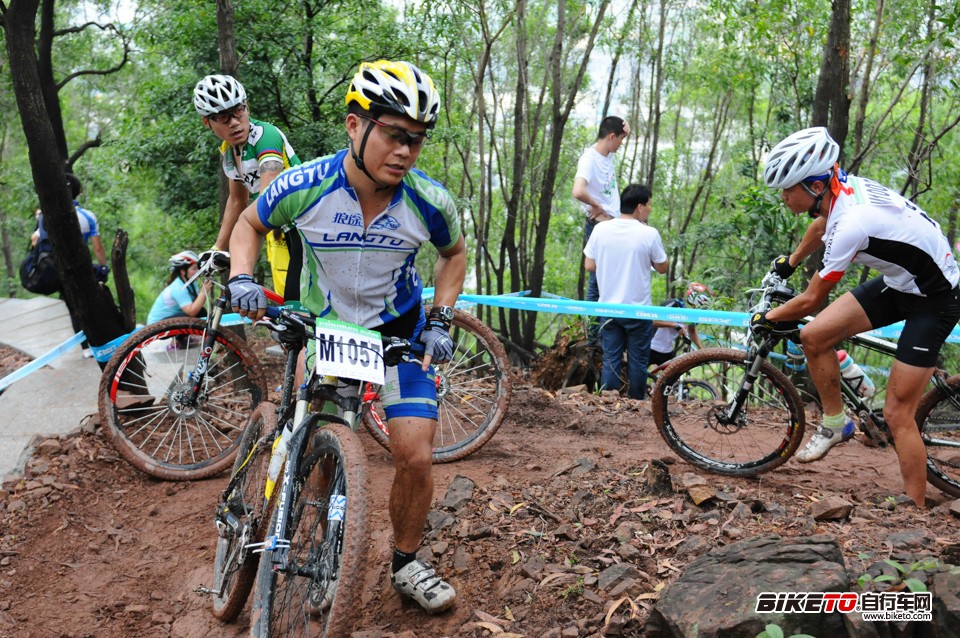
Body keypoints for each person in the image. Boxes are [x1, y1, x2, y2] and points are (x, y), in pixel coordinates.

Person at [227, 60, 466, 613]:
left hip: (398, 333)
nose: (405, 151)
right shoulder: (305, 184)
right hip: (326, 328)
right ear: (354, 126)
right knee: (321, 447)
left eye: (416, 140)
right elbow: (249, 224)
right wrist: (241, 277)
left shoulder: (430, 201)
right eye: (393, 134)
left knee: (416, 456)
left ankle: (405, 564)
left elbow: (453, 256)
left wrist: (441, 318)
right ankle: (320, 551)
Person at [754, 126, 960, 507]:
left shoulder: (852, 223)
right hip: (904, 282)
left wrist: (768, 317)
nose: (783, 197)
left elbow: (811, 299)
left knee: (898, 414)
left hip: (935, 300)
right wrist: (791, 261)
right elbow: (821, 225)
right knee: (814, 337)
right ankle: (836, 423)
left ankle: (914, 508)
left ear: (816, 186)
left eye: (787, 189)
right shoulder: (839, 191)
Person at [193, 74, 302, 299]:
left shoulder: (265, 136)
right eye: (223, 117)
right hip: (278, 232)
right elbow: (237, 200)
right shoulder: (229, 153)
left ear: (247, 106)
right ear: (207, 122)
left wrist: (241, 249)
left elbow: (268, 198)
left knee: (298, 305)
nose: (234, 122)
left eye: (238, 111)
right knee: (288, 305)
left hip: (303, 225)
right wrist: (217, 249)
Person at [584, 183, 668, 399]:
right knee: (638, 361)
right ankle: (637, 404)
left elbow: (589, 265)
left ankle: (609, 403)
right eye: (649, 205)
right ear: (640, 207)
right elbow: (662, 268)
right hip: (638, 311)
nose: (650, 209)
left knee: (611, 359)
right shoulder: (648, 233)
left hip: (608, 309)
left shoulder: (601, 230)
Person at [31, 174, 110, 357]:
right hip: (83, 267)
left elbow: (35, 240)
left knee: (74, 309)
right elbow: (98, 248)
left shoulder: (47, 216)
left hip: (59, 269)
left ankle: (86, 349)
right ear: (78, 192)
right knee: (91, 303)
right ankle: (101, 342)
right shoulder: (87, 216)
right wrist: (103, 267)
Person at [572, 116, 631, 339]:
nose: (621, 144)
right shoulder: (589, 159)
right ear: (612, 137)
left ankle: (604, 333)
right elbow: (578, 190)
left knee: (609, 281)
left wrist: (627, 128)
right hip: (598, 225)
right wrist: (597, 205)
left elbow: (617, 129)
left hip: (612, 224)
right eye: (621, 140)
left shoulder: (607, 154)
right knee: (597, 282)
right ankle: (593, 337)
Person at [146, 251, 213, 325]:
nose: (198, 271)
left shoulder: (191, 283)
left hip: (169, 319)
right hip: (156, 325)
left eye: (198, 268)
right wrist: (203, 293)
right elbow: (192, 312)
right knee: (193, 316)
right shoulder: (178, 287)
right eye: (194, 269)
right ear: (183, 271)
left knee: (202, 312)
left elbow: (197, 305)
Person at [649, 295, 705, 367]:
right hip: (650, 346)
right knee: (639, 372)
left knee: (674, 373)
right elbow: (654, 322)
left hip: (667, 351)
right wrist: (674, 325)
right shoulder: (674, 304)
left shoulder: (693, 315)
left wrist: (702, 350)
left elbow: (692, 331)